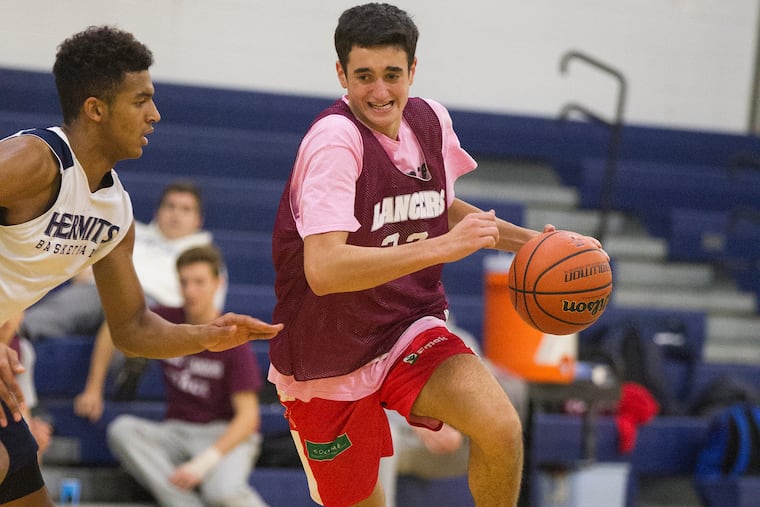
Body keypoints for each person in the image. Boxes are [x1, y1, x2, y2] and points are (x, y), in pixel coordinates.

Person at [269, 4, 602, 506]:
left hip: (408, 324)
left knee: (500, 426)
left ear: (412, 70)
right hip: (327, 352)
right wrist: (443, 248)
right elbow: (324, 269)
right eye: (364, 76)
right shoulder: (334, 144)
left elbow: (436, 208)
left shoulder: (429, 120)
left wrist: (532, 242)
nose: (380, 91)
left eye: (391, 75)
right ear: (341, 73)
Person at [0, 26, 282, 505]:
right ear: (96, 109)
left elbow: (130, 328)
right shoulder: (33, 161)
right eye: (141, 100)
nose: (155, 114)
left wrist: (208, 335)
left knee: (22, 487)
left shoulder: (115, 211)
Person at [75, 245, 267, 506]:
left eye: (199, 282)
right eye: (184, 282)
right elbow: (114, 328)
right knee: (122, 430)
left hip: (223, 434)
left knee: (221, 494)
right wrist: (93, 387)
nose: (190, 291)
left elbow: (248, 418)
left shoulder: (231, 338)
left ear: (217, 283)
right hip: (176, 432)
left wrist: (204, 462)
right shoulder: (169, 320)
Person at [20, 179, 224, 341]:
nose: (175, 214)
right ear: (157, 211)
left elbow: (209, 307)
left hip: (154, 308)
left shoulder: (204, 254)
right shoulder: (130, 228)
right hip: (102, 290)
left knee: (136, 324)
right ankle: (13, 335)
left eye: (185, 209)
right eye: (170, 206)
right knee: (66, 305)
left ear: (199, 220)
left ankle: (119, 387)